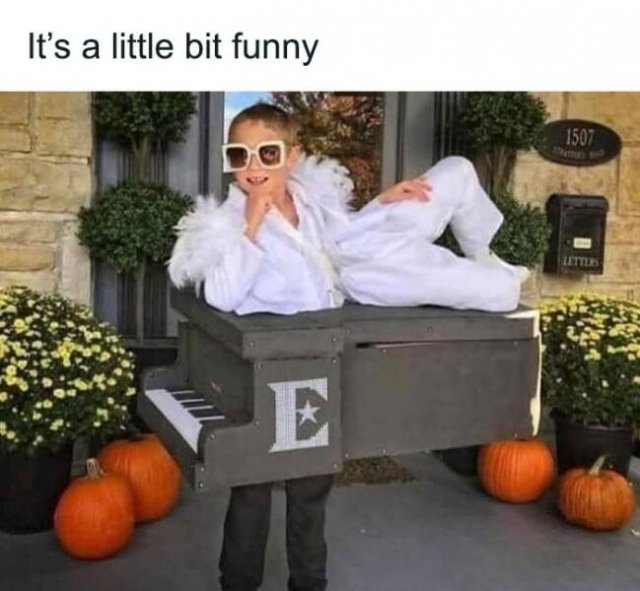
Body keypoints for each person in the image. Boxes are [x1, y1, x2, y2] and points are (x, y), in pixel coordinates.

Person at [168, 103, 529, 591]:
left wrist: (383, 204)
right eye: (239, 155)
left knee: (457, 174)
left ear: (291, 156)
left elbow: (341, 237)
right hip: (270, 366)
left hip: (343, 306)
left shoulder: (307, 196)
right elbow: (222, 295)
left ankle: (308, 582)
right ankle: (238, 582)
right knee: (252, 485)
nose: (253, 166)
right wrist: (250, 226)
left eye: (267, 153)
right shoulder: (228, 221)